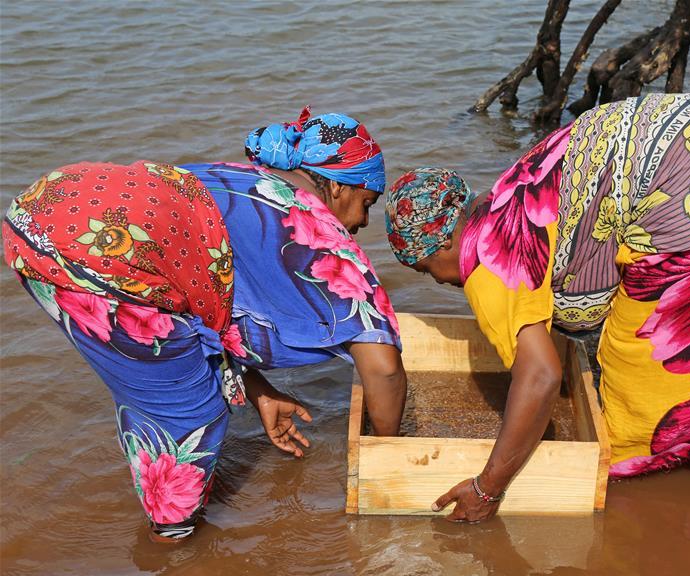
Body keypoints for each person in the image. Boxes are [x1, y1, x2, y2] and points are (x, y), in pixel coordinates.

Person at [385, 93, 690, 523]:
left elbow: (542, 376)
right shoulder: (508, 196)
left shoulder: (487, 256)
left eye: (428, 269)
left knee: (642, 359)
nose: (443, 281)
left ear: (446, 241)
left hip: (687, 176)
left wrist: (487, 488)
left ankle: (659, 487)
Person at [3, 106, 407, 541]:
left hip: (40, 219)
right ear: (338, 186)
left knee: (167, 378)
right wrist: (389, 451)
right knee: (191, 413)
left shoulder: (237, 177)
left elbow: (197, 305)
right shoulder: (315, 228)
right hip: (97, 256)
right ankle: (172, 544)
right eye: (366, 204)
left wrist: (257, 390)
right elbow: (382, 365)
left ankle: (167, 520)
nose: (361, 223)